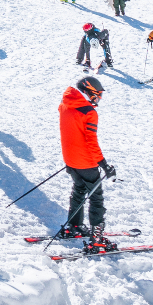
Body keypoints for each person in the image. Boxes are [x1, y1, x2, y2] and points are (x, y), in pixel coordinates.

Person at [54, 76, 117, 249]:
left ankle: (73, 226)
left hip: (70, 159)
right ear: (89, 91)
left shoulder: (65, 104)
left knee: (78, 190)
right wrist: (104, 165)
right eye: (98, 95)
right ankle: (97, 238)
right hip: (86, 162)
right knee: (96, 197)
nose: (99, 99)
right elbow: (91, 142)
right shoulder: (89, 112)